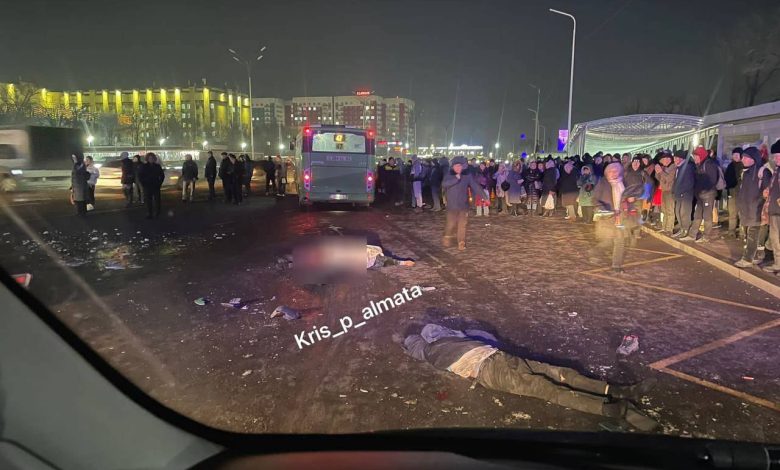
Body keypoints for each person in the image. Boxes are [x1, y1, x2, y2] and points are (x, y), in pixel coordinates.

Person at [402, 323, 658, 431]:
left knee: (560, 376)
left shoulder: (441, 346)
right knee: (553, 388)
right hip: (493, 371)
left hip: (499, 361)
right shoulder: (439, 347)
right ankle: (616, 409)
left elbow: (478, 338)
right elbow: (482, 336)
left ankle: (618, 394)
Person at [592, 162, 644, 273]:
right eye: (611, 171)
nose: (613, 173)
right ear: (607, 173)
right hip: (609, 216)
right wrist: (602, 209)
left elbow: (637, 190)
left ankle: (616, 266)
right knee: (609, 241)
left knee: (620, 241)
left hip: (622, 216)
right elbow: (595, 199)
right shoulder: (603, 183)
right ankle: (595, 251)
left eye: (616, 171)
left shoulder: (624, 182)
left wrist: (632, 198)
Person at [442, 156, 487, 250]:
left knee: (462, 224)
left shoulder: (467, 176)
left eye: (460, 166)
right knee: (451, 224)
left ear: (462, 167)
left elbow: (475, 186)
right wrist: (456, 178)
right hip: (452, 206)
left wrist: (485, 197)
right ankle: (447, 236)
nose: (458, 168)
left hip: (463, 205)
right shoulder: (449, 175)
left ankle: (461, 242)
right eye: (456, 166)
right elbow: (444, 184)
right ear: (453, 167)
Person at [734, 147, 766, 268]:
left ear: (753, 159)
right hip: (746, 209)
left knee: (753, 234)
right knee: (749, 235)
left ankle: (748, 259)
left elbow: (766, 190)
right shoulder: (745, 172)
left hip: (756, 209)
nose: (743, 159)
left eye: (746, 157)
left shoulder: (762, 172)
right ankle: (756, 256)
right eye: (743, 157)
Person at [689, 146, 719, 243]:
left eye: (696, 156)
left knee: (707, 216)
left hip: (707, 194)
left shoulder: (708, 164)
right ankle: (692, 235)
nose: (695, 158)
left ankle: (706, 236)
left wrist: (703, 189)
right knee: (697, 215)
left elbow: (712, 180)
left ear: (701, 156)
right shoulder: (700, 165)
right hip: (700, 195)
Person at [761, 141, 780, 273]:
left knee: (777, 239)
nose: (775, 159)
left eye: (778, 156)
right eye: (774, 156)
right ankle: (778, 263)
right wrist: (768, 190)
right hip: (774, 210)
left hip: (778, 211)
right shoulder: (777, 170)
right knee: (775, 239)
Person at [671, 150, 696, 240]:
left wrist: (681, 192)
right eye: (674, 158)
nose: (674, 160)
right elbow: (676, 181)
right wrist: (674, 191)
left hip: (686, 195)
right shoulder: (679, 168)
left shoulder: (688, 167)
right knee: (678, 212)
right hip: (679, 194)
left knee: (684, 213)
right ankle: (682, 229)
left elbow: (689, 182)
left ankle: (685, 229)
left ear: (681, 158)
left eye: (676, 158)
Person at [654, 151, 676, 235]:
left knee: (670, 210)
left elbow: (669, 179)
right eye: (663, 159)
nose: (665, 160)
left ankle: (669, 229)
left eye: (667, 158)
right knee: (664, 210)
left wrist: (660, 172)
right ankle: (664, 228)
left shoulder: (673, 167)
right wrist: (657, 171)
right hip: (664, 190)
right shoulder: (664, 167)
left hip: (670, 191)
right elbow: (659, 178)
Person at [724, 147, 744, 238]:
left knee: (742, 213)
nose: (735, 156)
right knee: (732, 213)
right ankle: (731, 231)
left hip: (742, 193)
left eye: (737, 155)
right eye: (734, 155)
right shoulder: (730, 166)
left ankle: (742, 233)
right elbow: (726, 178)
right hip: (732, 192)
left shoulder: (744, 166)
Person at [138, 152, 165, 219]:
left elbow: (162, 176)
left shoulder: (157, 166)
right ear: (147, 159)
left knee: (157, 200)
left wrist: (159, 183)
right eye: (149, 158)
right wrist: (143, 183)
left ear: (154, 159)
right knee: (148, 201)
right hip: (147, 185)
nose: (151, 159)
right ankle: (149, 213)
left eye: (152, 158)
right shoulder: (144, 166)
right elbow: (140, 176)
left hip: (156, 185)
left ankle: (157, 213)